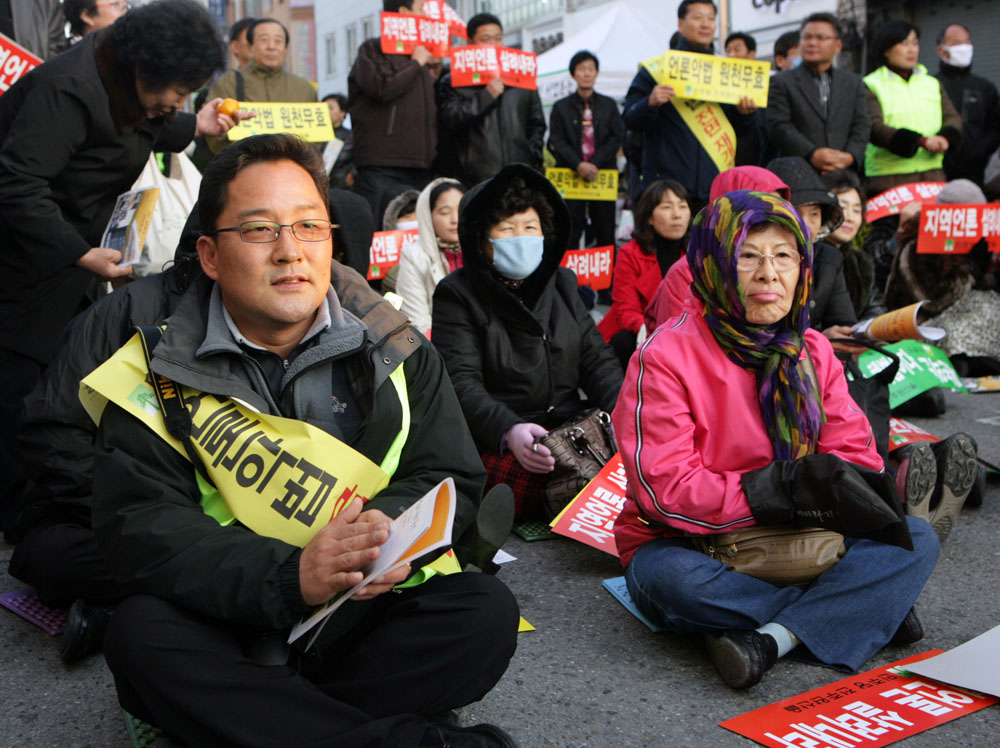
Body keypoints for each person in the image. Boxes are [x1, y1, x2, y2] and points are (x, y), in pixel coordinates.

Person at [91, 134, 520, 748]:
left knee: (482, 614)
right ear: (209, 254)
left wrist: (379, 535)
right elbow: (141, 529)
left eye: (309, 227)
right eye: (259, 229)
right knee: (141, 636)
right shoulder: (152, 371)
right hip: (227, 618)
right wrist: (291, 575)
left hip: (358, 614)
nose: (290, 251)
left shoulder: (398, 345)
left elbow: (448, 475)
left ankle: (263, 726)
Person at [613, 189, 940, 689]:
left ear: (802, 268)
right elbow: (667, 492)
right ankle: (859, 610)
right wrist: (780, 490)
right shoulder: (664, 356)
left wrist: (825, 491)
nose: (769, 273)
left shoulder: (813, 350)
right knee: (672, 583)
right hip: (693, 544)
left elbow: (855, 454)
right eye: (747, 256)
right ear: (713, 266)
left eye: (784, 255)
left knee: (918, 538)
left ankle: (770, 639)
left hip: (807, 534)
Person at [0, 0, 238, 531]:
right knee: (21, 386)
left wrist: (196, 123)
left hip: (72, 258)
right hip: (26, 258)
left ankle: (50, 500)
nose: (176, 103)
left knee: (64, 371)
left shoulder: (126, 82)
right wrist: (78, 252)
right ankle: (20, 519)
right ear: (144, 70)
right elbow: (16, 184)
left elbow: (147, 123)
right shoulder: (69, 90)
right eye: (177, 92)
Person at [432, 164, 623, 519]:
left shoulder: (562, 283)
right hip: (504, 436)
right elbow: (460, 380)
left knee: (626, 460)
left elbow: (596, 358)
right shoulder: (457, 295)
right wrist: (508, 430)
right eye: (507, 229)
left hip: (571, 428)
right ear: (481, 240)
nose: (521, 237)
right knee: (530, 485)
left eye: (530, 227)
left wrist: (624, 412)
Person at [622, 0, 756, 207]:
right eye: (698, 17)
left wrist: (744, 114)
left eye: (711, 18)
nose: (706, 24)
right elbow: (630, 119)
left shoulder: (724, 71)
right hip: (668, 190)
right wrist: (650, 103)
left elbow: (740, 129)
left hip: (714, 188)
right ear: (681, 23)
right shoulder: (657, 69)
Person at [646, 165, 790, 330]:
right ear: (726, 212)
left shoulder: (787, 264)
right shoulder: (687, 273)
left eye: (780, 211)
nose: (774, 221)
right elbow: (674, 341)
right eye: (763, 211)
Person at [348, 0, 440, 220]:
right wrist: (416, 63)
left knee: (415, 234)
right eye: (421, 9)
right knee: (379, 231)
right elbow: (382, 87)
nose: (426, 16)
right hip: (382, 165)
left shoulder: (423, 55)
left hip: (419, 165)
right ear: (404, 11)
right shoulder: (373, 49)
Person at [438, 14, 546, 187]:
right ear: (470, 42)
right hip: (475, 179)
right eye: (486, 39)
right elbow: (450, 119)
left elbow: (537, 124)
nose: (494, 45)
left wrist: (529, 154)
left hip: (518, 176)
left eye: (498, 38)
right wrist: (486, 96)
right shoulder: (453, 81)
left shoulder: (521, 78)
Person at [598, 180, 691, 370]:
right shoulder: (629, 253)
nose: (677, 214)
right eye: (667, 207)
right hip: (638, 330)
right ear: (649, 217)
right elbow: (626, 308)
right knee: (624, 342)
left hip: (683, 333)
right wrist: (646, 329)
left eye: (683, 206)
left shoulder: (696, 255)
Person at [863, 20, 962, 197]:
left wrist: (945, 138)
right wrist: (920, 141)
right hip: (887, 178)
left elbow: (952, 117)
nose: (912, 50)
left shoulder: (932, 83)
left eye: (915, 43)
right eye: (904, 43)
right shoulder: (870, 84)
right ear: (885, 49)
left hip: (932, 176)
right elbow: (874, 128)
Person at [766, 13, 871, 176]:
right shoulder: (781, 82)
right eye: (807, 37)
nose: (812, 43)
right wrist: (811, 154)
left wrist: (850, 156)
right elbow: (779, 127)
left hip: (844, 174)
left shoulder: (853, 82)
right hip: (799, 174)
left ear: (837, 45)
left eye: (821, 38)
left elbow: (862, 125)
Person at [547, 50, 625, 250]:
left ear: (596, 73)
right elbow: (557, 140)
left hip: (602, 175)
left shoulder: (609, 105)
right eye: (582, 69)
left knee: (605, 231)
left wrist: (595, 163)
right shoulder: (561, 107)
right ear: (573, 74)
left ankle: (607, 271)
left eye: (591, 69)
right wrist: (578, 164)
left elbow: (616, 137)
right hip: (571, 176)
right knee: (569, 231)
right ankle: (567, 270)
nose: (587, 73)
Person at [205, 18, 317, 154]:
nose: (271, 46)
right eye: (264, 40)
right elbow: (216, 137)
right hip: (244, 164)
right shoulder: (228, 83)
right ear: (251, 46)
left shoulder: (305, 89)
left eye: (278, 41)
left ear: (286, 48)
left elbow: (316, 139)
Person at [395, 178, 466, 336]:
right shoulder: (414, 256)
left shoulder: (484, 250)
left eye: (461, 209)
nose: (455, 219)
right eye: (445, 212)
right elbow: (417, 322)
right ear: (428, 216)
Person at [935, 24, 1000, 188]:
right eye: (956, 43)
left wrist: (981, 149)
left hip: (978, 174)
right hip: (937, 171)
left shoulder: (985, 88)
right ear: (941, 50)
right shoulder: (930, 85)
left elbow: (996, 128)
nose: (963, 47)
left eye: (967, 42)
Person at [821, 170, 887, 321]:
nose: (850, 218)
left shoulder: (861, 261)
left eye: (856, 210)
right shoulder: (808, 257)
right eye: (842, 208)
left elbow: (875, 308)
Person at [322, 92, 355, 189]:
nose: (326, 111)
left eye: (331, 108)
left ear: (343, 112)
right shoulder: (314, 135)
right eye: (322, 108)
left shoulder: (350, 136)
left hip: (341, 185)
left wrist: (352, 174)